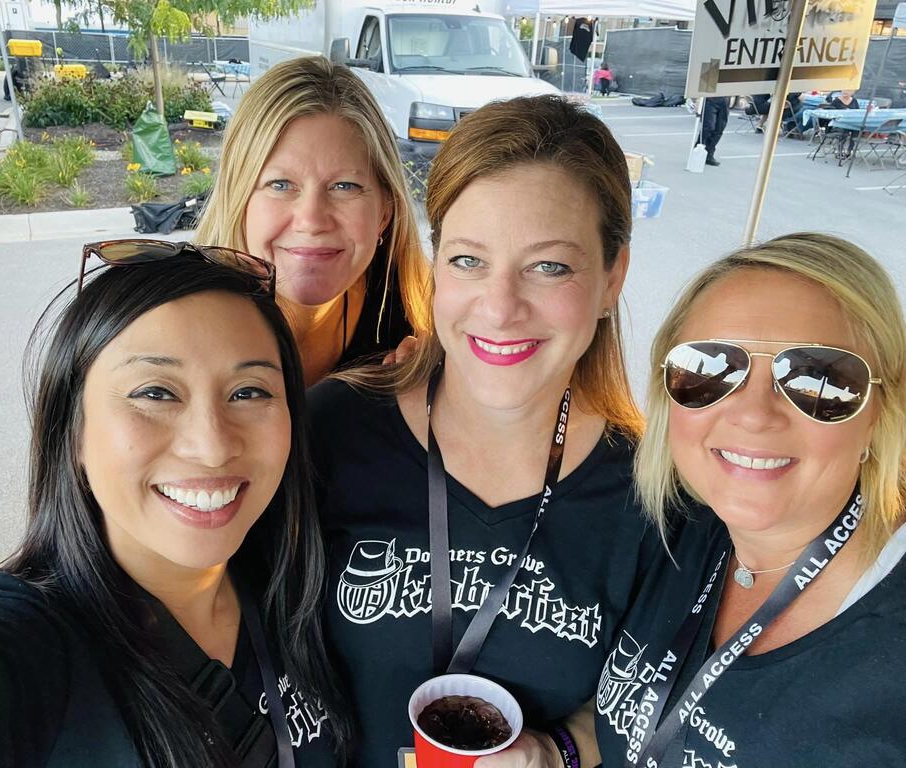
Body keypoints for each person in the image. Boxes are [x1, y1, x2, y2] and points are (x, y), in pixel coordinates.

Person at [0, 242, 350, 767]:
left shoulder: (300, 584)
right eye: (155, 393)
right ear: (72, 431)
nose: (213, 446)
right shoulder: (19, 640)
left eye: (249, 392)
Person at [310, 95, 658, 767]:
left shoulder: (651, 497)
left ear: (613, 277)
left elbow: (648, 701)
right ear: (436, 265)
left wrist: (555, 751)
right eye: (469, 260)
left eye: (549, 266)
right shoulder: (333, 430)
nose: (499, 308)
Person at [594, 233, 906, 767]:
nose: (754, 414)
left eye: (818, 380)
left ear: (880, 413)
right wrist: (557, 751)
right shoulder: (680, 529)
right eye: (708, 369)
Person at [196, 56, 429, 385]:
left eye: (344, 186)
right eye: (280, 185)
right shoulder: (176, 325)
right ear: (238, 199)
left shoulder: (418, 313)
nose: (311, 220)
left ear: (384, 211)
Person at [699, 96, 729, 166]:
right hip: (710, 98)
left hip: (725, 99)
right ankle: (699, 149)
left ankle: (709, 154)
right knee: (708, 127)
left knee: (719, 128)